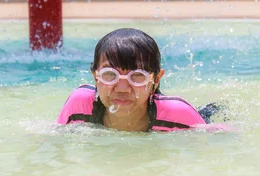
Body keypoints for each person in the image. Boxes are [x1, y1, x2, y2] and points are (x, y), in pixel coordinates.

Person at [57, 28, 219, 132]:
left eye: (137, 76)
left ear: (155, 80)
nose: (122, 88)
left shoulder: (178, 114)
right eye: (110, 74)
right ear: (95, 76)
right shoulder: (80, 105)